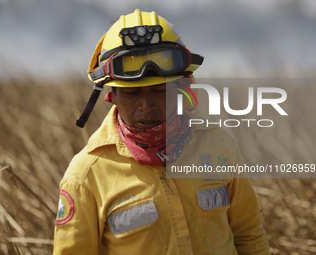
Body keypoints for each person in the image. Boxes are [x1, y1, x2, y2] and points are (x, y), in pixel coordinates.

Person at [53, 9, 270, 255]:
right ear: (111, 96)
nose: (147, 106)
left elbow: (249, 235)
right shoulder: (85, 176)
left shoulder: (220, 144)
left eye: (160, 91)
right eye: (133, 93)